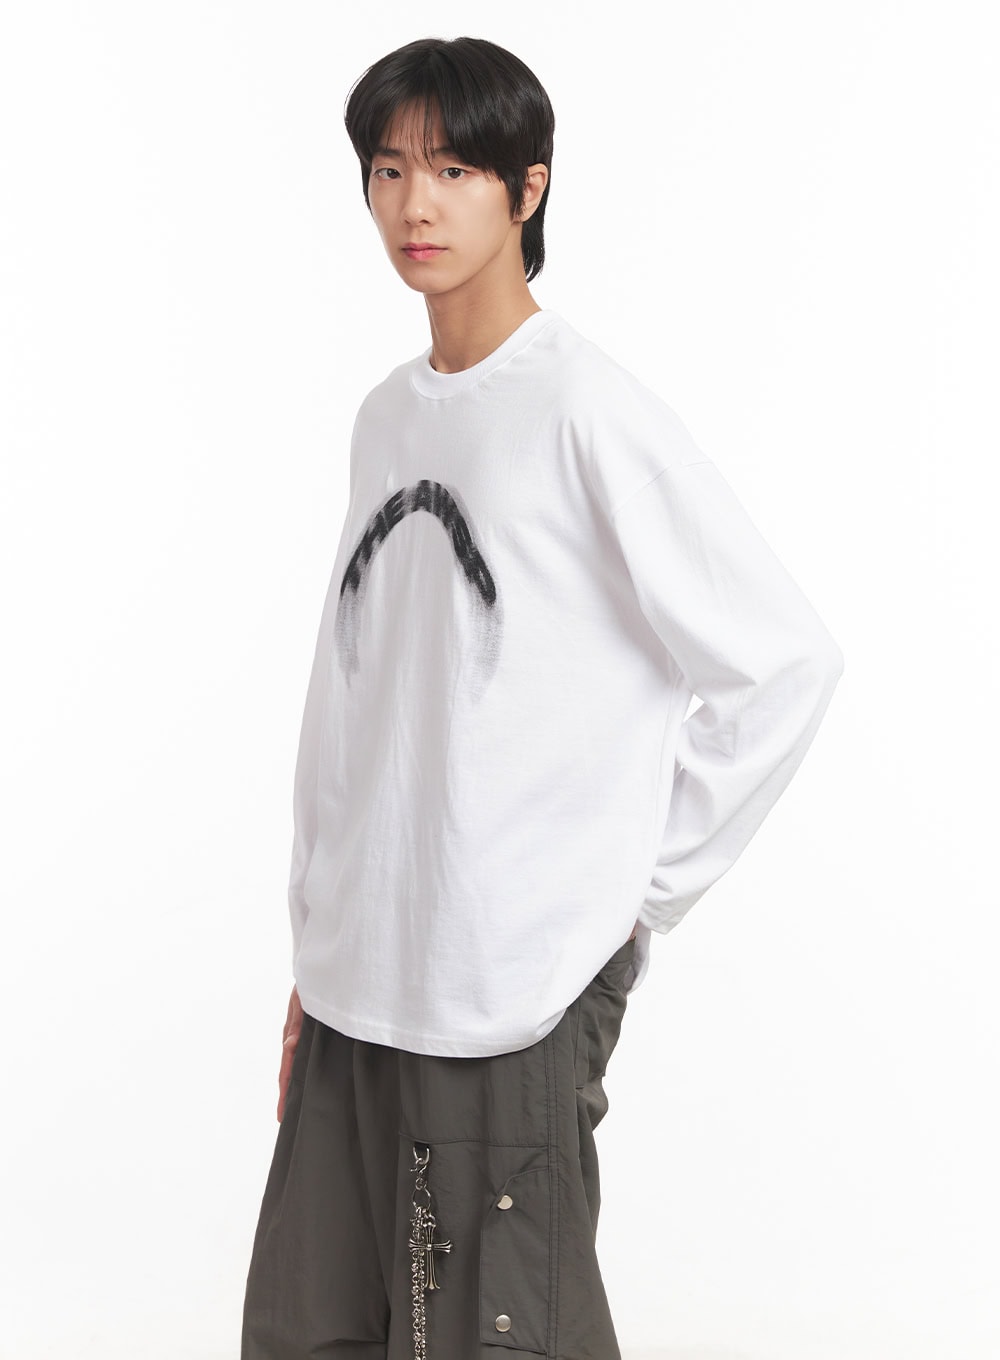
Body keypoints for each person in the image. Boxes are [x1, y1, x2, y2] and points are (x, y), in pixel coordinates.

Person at [240, 34, 844, 1360]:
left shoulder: (584, 409)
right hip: (357, 988)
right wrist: (318, 943)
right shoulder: (387, 418)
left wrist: (631, 903)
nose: (415, 203)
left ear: (527, 188)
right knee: (312, 1333)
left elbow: (783, 662)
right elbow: (355, 707)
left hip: (508, 991)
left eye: (455, 169)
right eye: (388, 169)